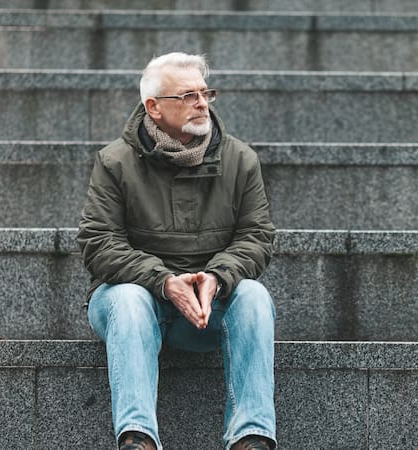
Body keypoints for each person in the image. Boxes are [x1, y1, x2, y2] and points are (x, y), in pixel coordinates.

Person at [77, 52, 277, 450]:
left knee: (254, 294)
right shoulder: (115, 162)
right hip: (132, 303)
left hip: (207, 310)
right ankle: (138, 440)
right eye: (188, 95)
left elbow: (256, 236)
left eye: (205, 93)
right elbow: (98, 243)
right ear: (153, 108)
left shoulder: (241, 160)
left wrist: (217, 279)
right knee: (131, 299)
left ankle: (250, 437)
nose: (202, 103)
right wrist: (164, 282)